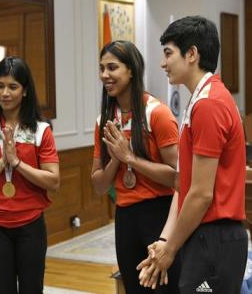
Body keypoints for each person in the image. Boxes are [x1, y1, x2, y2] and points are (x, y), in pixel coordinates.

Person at [137, 15, 248, 294]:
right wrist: (166, 240)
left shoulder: (209, 104)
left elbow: (201, 194)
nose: (163, 63)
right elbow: (183, 185)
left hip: (216, 237)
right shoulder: (200, 99)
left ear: (192, 54)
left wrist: (169, 250)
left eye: (168, 53)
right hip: (203, 235)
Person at [91, 40, 181, 294]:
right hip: (125, 215)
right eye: (101, 69)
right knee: (134, 287)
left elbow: (178, 177)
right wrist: (117, 159)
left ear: (131, 70)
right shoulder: (105, 122)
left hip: (160, 214)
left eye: (112, 67)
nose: (105, 75)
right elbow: (99, 184)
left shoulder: (157, 113)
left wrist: (130, 158)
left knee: (164, 288)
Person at [0, 56, 60, 294]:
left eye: (13, 87)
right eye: (0, 86)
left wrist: (17, 163)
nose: (5, 93)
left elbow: (54, 180)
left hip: (31, 225)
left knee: (31, 289)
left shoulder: (41, 130)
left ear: (25, 91)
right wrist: (2, 162)